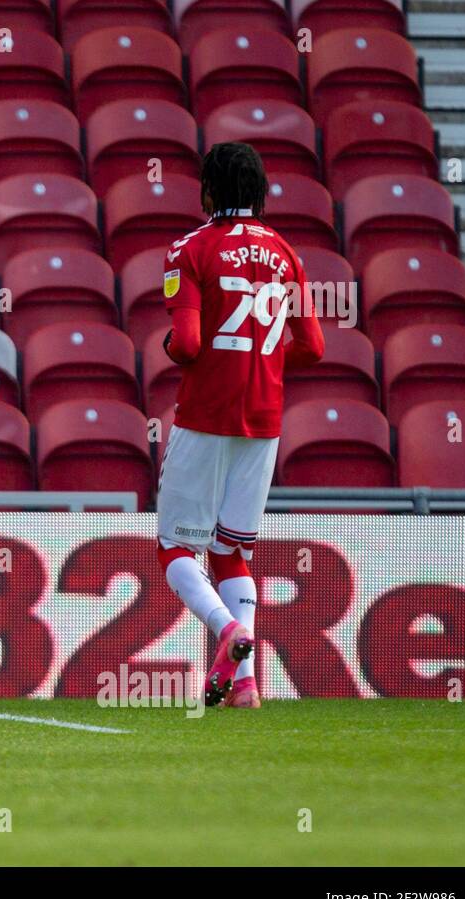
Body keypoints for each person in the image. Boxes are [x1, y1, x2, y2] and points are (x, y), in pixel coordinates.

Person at [155, 141, 324, 709]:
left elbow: (188, 344)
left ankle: (229, 630)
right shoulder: (286, 252)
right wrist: (264, 360)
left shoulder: (189, 250)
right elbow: (315, 348)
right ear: (261, 193)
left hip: (206, 413)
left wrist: (170, 345)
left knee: (176, 546)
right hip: (265, 419)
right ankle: (246, 685)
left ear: (206, 191)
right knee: (232, 550)